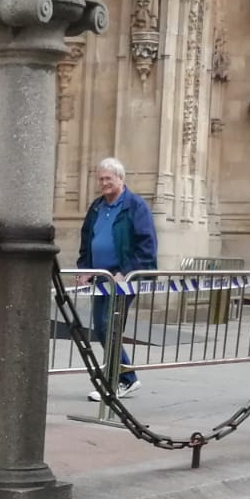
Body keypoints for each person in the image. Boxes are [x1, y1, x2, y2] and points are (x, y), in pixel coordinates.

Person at [76, 157, 159, 397]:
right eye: (100, 179)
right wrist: (85, 269)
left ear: (120, 179)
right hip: (101, 278)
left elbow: (147, 245)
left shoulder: (135, 206)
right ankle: (122, 377)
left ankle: (122, 379)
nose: (104, 183)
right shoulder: (96, 206)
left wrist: (127, 272)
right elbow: (86, 240)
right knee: (103, 329)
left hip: (123, 279)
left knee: (108, 326)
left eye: (108, 179)